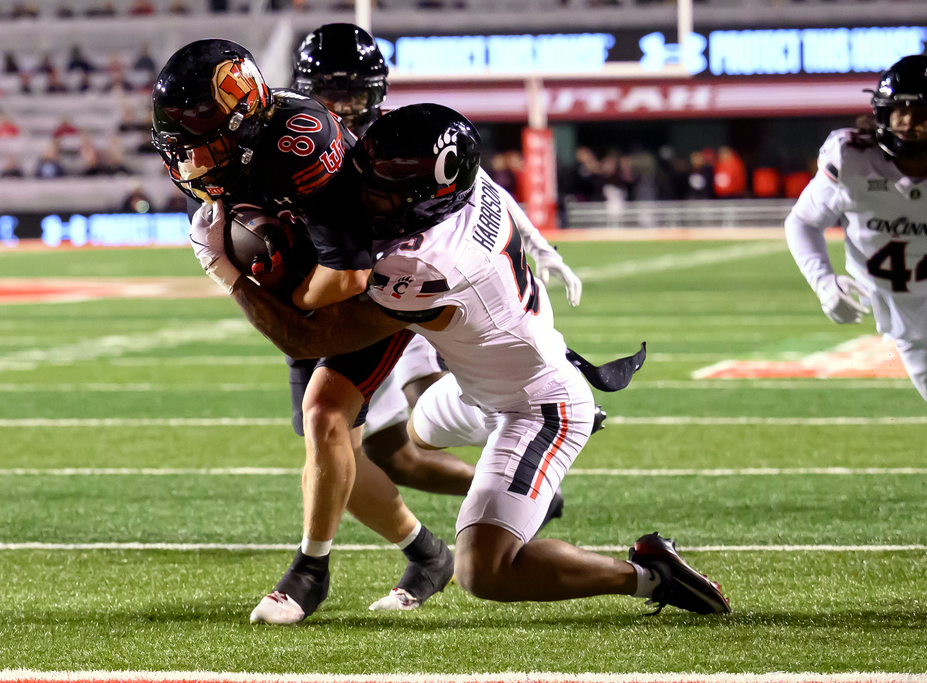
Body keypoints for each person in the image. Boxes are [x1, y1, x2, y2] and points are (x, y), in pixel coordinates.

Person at [192, 103, 731, 616]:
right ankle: (528, 419)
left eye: (379, 193)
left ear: (422, 202)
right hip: (480, 380)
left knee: (484, 572)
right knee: (417, 434)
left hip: (537, 407)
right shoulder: (465, 186)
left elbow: (308, 337)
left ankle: (648, 574)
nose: (363, 196)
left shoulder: (427, 263)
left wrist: (228, 269)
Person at [152, 39, 454, 625]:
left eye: (202, 143)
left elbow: (348, 276)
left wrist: (246, 281)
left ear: (238, 119)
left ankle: (309, 573)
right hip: (313, 272)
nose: (190, 162)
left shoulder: (301, 145)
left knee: (325, 419)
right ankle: (427, 553)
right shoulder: (243, 146)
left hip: (382, 276)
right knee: (329, 444)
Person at [291, 24, 582, 515]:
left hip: (413, 279)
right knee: (389, 452)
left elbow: (479, 184)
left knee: (425, 400)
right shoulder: (298, 141)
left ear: (377, 92)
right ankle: (463, 526)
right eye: (326, 93)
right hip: (357, 287)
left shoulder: (398, 135)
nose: (340, 108)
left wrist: (539, 243)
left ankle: (530, 424)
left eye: (354, 93)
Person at [785, 54, 927, 408]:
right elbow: (803, 221)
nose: (909, 122)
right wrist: (823, 283)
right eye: (899, 110)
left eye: (923, 111)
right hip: (902, 317)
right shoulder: (852, 157)